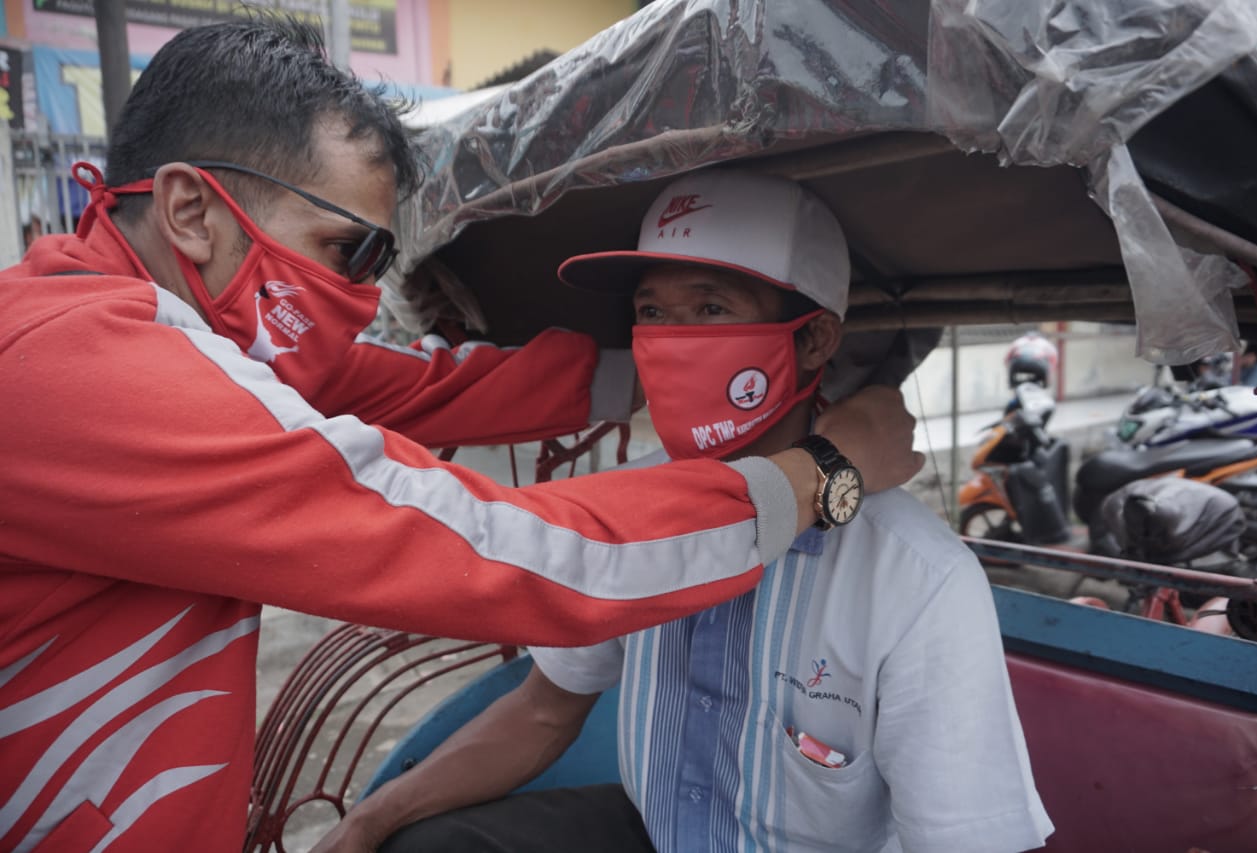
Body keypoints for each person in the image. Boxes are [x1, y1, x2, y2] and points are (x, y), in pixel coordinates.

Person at [0, 22, 926, 853]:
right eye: (347, 251)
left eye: (381, 263)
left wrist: (687, 355)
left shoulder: (191, 338)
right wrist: (823, 471)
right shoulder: (88, 375)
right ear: (191, 213)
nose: (366, 297)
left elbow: (438, 386)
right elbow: (508, 551)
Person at [320, 171, 1053, 853]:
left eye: (711, 308)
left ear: (814, 339)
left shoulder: (918, 580)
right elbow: (544, 710)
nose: (673, 342)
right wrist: (370, 819)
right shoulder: (629, 511)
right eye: (652, 314)